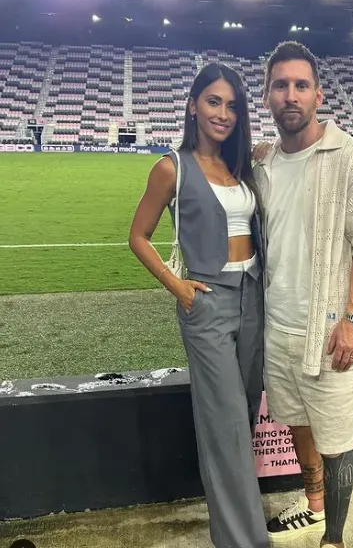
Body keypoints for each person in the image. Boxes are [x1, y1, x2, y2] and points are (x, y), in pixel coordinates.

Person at [250, 41, 353, 548]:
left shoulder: (351, 157)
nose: (290, 95)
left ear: (318, 94)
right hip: (278, 327)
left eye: (300, 85)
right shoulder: (264, 164)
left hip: (330, 329)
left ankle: (333, 539)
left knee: (336, 441)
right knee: (296, 422)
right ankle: (313, 506)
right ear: (267, 96)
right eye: (280, 85)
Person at [128, 62, 269, 548]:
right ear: (193, 105)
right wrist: (177, 285)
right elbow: (138, 236)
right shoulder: (172, 166)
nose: (223, 113)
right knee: (226, 424)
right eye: (213, 101)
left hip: (254, 297)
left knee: (245, 412)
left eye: (232, 105)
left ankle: (235, 526)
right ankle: (245, 542)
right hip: (206, 304)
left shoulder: (240, 165)